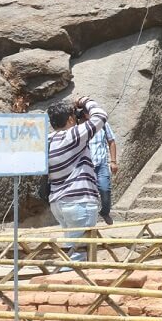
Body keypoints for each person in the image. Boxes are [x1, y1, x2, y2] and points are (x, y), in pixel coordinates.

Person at [46, 96, 108, 261]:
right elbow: (101, 116)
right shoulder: (73, 136)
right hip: (79, 201)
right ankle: (69, 285)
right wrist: (86, 101)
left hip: (59, 202)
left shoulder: (49, 140)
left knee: (72, 250)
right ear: (70, 119)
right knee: (80, 256)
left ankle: (68, 282)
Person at [89, 118, 119, 225]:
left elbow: (111, 141)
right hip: (85, 167)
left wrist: (113, 161)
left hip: (101, 165)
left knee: (105, 189)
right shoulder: (78, 124)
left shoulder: (102, 123)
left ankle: (105, 212)